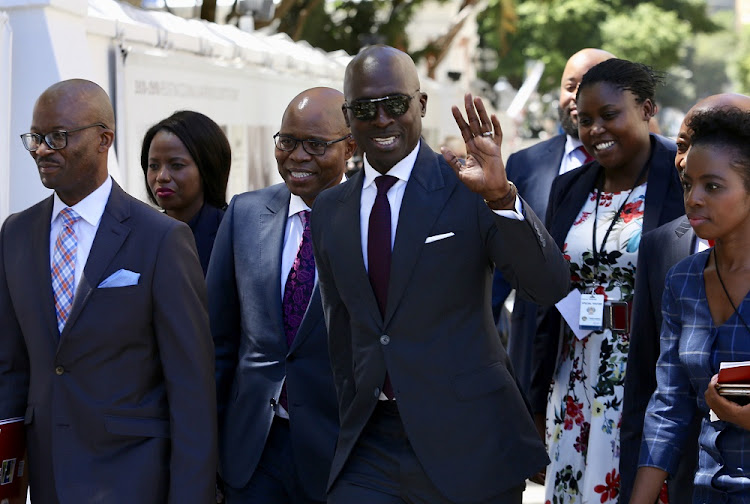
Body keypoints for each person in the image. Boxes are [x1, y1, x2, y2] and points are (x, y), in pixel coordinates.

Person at [311, 45, 570, 504]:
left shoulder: (469, 186)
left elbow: (547, 286)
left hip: (469, 440)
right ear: (348, 118)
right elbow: (342, 332)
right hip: (371, 444)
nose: (382, 119)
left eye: (395, 104)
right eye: (365, 109)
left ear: (421, 104)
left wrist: (502, 198)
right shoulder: (331, 208)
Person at [0, 79, 217, 502]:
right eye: (36, 138)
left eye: (58, 137)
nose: (43, 150)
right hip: (48, 480)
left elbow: (191, 388)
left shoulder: (160, 238)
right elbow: (11, 367)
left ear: (104, 140)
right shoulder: (16, 233)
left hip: (134, 477)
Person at [528, 59, 684, 503]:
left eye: (609, 115)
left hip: (644, 375)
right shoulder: (570, 186)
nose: (595, 129)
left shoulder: (681, 179)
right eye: (585, 120)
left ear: (647, 108)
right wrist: (537, 401)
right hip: (573, 375)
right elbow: (549, 295)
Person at [208, 87, 355, 504]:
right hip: (251, 453)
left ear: (349, 148)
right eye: (287, 141)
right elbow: (218, 342)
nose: (298, 155)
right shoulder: (244, 214)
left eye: (316, 144)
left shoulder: (370, 221)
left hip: (337, 454)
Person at [619, 93, 750, 504]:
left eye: (713, 186)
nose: (693, 199)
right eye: (688, 183)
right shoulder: (683, 281)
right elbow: (668, 405)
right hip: (704, 491)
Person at [497, 48, 614, 395]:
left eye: (590, 85)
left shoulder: (647, 165)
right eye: (570, 85)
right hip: (532, 347)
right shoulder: (524, 164)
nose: (576, 97)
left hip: (613, 345)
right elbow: (501, 260)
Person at [141, 110, 231, 275]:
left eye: (176, 165)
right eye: (154, 166)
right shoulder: (141, 234)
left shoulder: (232, 235)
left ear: (207, 168)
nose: (161, 177)